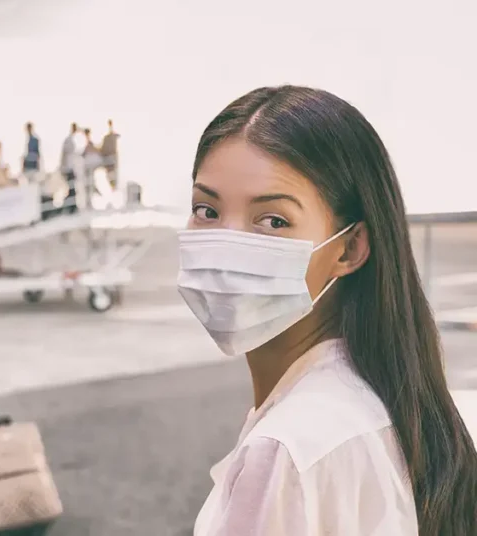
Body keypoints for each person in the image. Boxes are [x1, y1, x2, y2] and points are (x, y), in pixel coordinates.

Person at [182, 85, 477, 536]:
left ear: (349, 248)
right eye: (206, 210)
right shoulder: (376, 402)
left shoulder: (288, 450)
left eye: (273, 221)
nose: (229, 244)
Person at [100, 119, 120, 188]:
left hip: (110, 160)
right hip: (110, 160)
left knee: (112, 175)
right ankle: (113, 186)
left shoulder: (109, 137)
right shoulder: (108, 138)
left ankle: (113, 186)